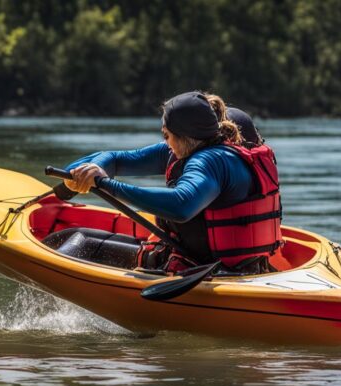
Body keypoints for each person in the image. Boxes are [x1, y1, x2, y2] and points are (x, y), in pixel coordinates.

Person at [44, 91, 282, 275]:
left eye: (166, 135)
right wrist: (80, 176)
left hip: (204, 271)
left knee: (76, 242)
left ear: (183, 135)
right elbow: (114, 158)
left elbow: (181, 205)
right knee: (70, 236)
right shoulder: (197, 146)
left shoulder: (210, 162)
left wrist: (104, 184)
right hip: (239, 266)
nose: (165, 142)